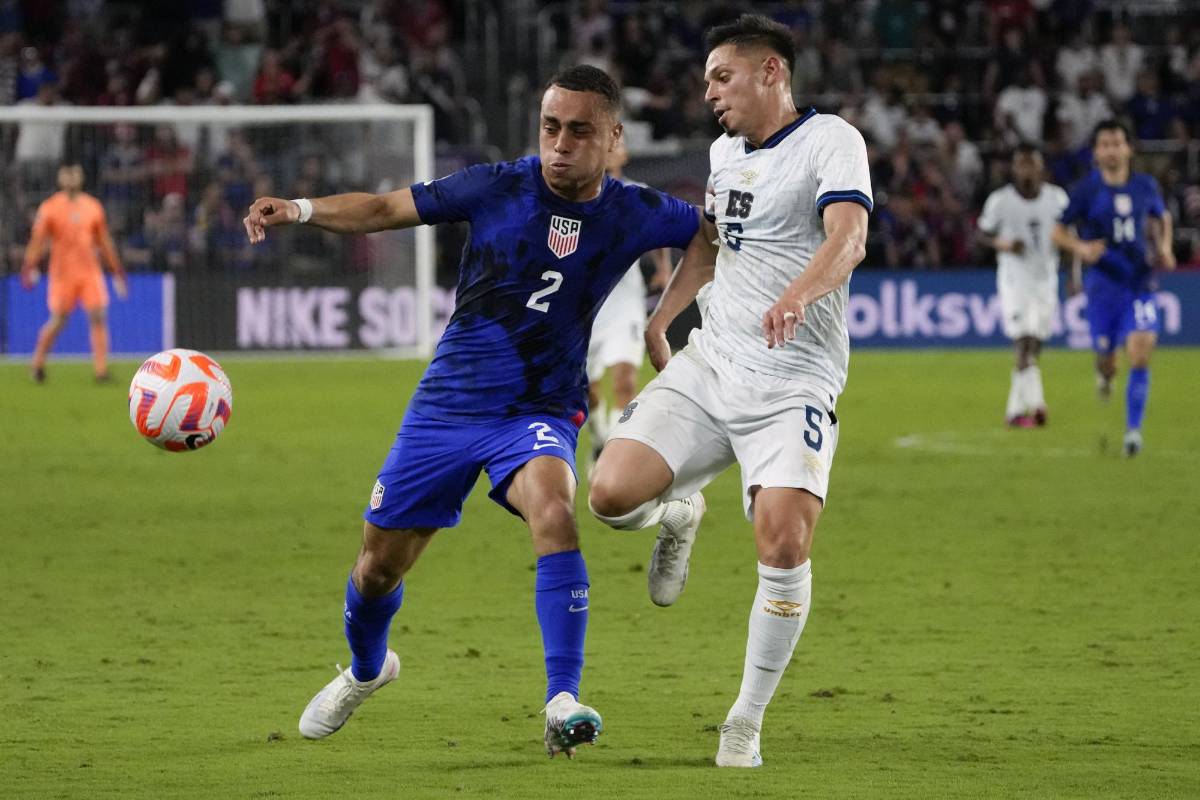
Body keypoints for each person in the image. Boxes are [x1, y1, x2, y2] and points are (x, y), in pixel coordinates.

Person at [241, 65, 702, 758]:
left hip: (539, 406)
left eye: (579, 131)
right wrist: (301, 209)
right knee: (377, 567)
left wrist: (666, 317)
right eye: (550, 127)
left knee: (555, 510)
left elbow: (716, 234)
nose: (560, 144)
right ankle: (367, 669)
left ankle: (562, 699)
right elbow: (382, 210)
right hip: (448, 405)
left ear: (614, 138)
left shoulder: (639, 210)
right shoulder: (496, 185)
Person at [586, 15, 871, 768]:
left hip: (794, 382)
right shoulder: (723, 154)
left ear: (771, 71)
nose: (709, 93)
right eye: (707, 81)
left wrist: (797, 296)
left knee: (784, 541)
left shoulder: (831, 141)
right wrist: (664, 316)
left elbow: (848, 237)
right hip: (712, 364)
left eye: (722, 77)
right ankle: (681, 512)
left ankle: (745, 718)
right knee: (609, 495)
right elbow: (709, 245)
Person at [1052, 120, 1175, 457]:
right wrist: (1081, 248)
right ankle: (1105, 374)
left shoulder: (1145, 186)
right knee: (1107, 358)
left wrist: (1165, 247)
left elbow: (1162, 216)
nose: (1111, 150)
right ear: (1096, 152)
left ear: (1128, 149)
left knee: (1140, 352)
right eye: (1104, 144)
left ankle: (1133, 432)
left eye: (1117, 143)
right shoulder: (1086, 190)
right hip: (1103, 285)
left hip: (1140, 280)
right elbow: (1058, 231)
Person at [584, 136, 671, 470]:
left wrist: (663, 268)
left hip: (626, 300)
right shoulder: (579, 193)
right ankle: (598, 438)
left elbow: (660, 228)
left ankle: (613, 455)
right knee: (588, 390)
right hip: (588, 303)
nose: (610, 152)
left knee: (625, 380)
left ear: (624, 155)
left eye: (616, 146)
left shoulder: (637, 192)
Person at [977, 145, 1069, 427]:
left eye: (1032, 164)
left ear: (1041, 168)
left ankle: (1014, 411)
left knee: (1035, 344)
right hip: (1015, 280)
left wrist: (1075, 275)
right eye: (1022, 164)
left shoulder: (1057, 198)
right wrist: (1003, 244)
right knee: (1023, 341)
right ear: (1014, 168)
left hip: (1046, 279)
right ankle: (1037, 404)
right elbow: (981, 234)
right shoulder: (1000, 201)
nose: (1027, 170)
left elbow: (1070, 235)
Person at [20, 163, 128, 383]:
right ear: (60, 179)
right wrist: (29, 265)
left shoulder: (93, 206)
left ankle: (101, 370)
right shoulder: (50, 207)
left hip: (89, 271)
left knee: (98, 316)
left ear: (81, 177)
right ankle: (37, 364)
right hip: (62, 273)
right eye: (67, 174)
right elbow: (38, 240)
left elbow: (104, 241)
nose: (71, 177)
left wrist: (116, 269)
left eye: (75, 173)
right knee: (59, 320)